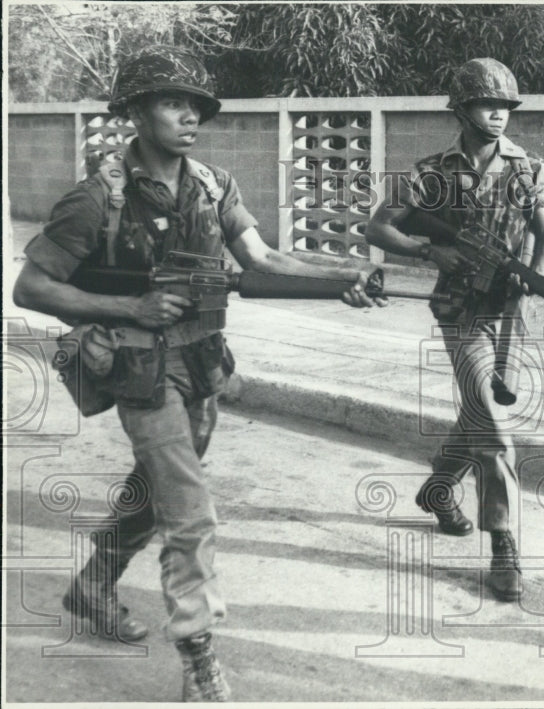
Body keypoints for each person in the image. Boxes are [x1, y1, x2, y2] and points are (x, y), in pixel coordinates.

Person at [13, 45, 380, 702]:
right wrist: (129, 305)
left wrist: (343, 278)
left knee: (159, 490)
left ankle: (94, 584)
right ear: (135, 110)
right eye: (172, 102)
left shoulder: (212, 184)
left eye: (195, 106)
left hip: (203, 362)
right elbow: (32, 286)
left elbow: (262, 257)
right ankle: (199, 654)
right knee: (191, 512)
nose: (190, 117)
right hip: (140, 368)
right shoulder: (97, 197)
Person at [366, 58, 544, 602]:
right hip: (460, 312)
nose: (498, 116)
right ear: (462, 109)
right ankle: (504, 543)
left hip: (509, 314)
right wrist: (431, 250)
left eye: (505, 107)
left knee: (480, 409)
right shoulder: (430, 172)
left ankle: (438, 488)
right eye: (487, 106)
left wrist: (535, 276)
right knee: (494, 430)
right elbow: (378, 227)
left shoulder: (530, 168)